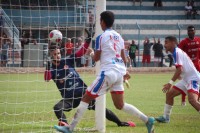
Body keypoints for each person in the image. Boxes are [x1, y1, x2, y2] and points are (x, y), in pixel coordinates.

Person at [54, 11, 155, 133]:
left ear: (102, 22)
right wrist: (125, 71)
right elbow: (124, 58)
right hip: (119, 74)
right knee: (120, 105)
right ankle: (147, 120)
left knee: (86, 98)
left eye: (100, 20)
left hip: (108, 73)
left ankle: (70, 128)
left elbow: (96, 58)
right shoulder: (119, 37)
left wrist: (91, 53)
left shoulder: (101, 37)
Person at [44, 29, 135, 129]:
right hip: (70, 98)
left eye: (58, 54)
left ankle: (119, 122)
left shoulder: (67, 61)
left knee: (101, 109)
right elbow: (47, 78)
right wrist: (47, 67)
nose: (58, 56)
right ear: (51, 56)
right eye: (55, 54)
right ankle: (66, 126)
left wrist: (88, 40)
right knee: (57, 108)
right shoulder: (52, 69)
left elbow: (81, 52)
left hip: (83, 93)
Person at [155, 36, 200, 123]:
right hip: (187, 79)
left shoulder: (177, 52)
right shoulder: (176, 52)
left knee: (192, 100)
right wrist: (181, 76)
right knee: (169, 94)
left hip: (193, 79)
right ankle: (166, 118)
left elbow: (179, 69)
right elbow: (181, 69)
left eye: (166, 42)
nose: (165, 45)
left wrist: (170, 83)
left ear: (173, 43)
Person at [178, 25, 200, 105]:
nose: (190, 32)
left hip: (197, 67)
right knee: (185, 83)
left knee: (197, 86)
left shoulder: (198, 40)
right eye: (189, 31)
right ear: (187, 32)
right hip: (187, 68)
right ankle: (183, 100)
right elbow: (179, 54)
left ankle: (197, 100)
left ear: (195, 31)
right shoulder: (184, 42)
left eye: (192, 30)